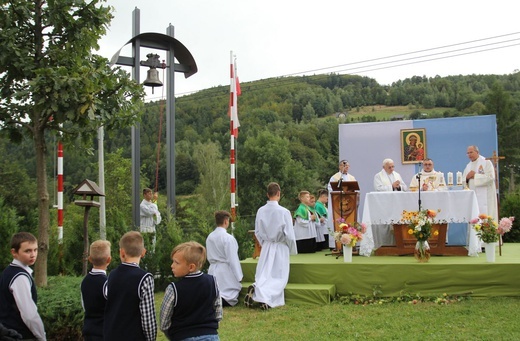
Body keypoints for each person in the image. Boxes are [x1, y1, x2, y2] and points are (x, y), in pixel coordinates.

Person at [244, 182, 297, 310]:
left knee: (265, 274)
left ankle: (257, 287)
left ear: (267, 194)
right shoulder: (284, 212)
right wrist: (292, 249)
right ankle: (266, 298)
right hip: (280, 246)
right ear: (279, 194)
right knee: (278, 277)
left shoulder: (261, 210)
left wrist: (264, 244)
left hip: (267, 245)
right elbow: (289, 234)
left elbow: (257, 231)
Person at [160, 241, 222, 341]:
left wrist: (171, 334)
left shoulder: (174, 289)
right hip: (210, 336)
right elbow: (218, 311)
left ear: (191, 267)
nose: (172, 265)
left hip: (182, 336)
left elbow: (164, 321)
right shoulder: (213, 282)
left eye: (176, 262)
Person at [103, 231, 156, 341]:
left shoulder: (112, 275)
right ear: (143, 252)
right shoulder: (145, 278)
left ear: (121, 252)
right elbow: (148, 317)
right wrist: (151, 338)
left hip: (112, 334)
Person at [0, 232, 46, 341]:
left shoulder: (8, 272)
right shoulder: (19, 277)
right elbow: (29, 315)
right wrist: (42, 337)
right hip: (18, 335)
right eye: (27, 251)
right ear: (14, 252)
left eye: (35, 250)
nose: (33, 254)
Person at [205, 210, 243, 307]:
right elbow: (233, 259)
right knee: (229, 292)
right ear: (226, 221)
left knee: (215, 289)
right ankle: (223, 299)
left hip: (213, 268)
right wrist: (239, 276)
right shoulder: (228, 238)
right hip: (225, 269)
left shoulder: (210, 237)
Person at [81, 240, 111, 341]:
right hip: (103, 332)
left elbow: (84, 306)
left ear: (89, 259)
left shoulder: (85, 281)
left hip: (89, 330)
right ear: (109, 259)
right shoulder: (107, 283)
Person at [463, 145, 498, 220]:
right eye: (467, 153)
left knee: (487, 217)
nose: (469, 155)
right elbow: (464, 182)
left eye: (471, 152)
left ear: (477, 152)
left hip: (486, 196)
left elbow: (491, 177)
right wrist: (467, 178)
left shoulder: (486, 162)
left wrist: (475, 176)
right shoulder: (468, 166)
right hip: (474, 197)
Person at [327, 160, 357, 249]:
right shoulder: (335, 177)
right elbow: (330, 188)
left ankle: (352, 242)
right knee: (338, 222)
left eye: (348, 166)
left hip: (350, 204)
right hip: (338, 204)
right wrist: (341, 191)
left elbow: (356, 189)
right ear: (340, 167)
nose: (346, 167)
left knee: (350, 222)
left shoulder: (352, 178)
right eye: (344, 166)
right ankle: (336, 244)